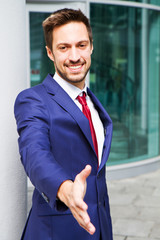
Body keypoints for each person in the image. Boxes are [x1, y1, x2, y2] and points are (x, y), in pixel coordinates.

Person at [14, 8, 113, 240]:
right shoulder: (33, 100)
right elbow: (34, 152)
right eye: (63, 47)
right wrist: (65, 188)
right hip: (57, 233)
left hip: (99, 229)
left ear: (91, 47)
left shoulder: (92, 101)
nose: (75, 56)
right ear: (50, 53)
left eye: (81, 45)